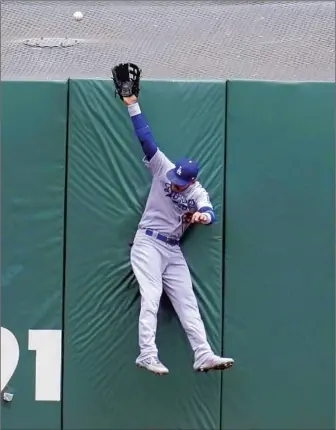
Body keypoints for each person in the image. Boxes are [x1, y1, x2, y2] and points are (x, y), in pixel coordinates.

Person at [122, 94, 234, 375]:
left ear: (192, 180)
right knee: (152, 294)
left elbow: (210, 212)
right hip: (147, 242)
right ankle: (147, 354)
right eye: (176, 179)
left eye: (182, 182)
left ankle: (203, 355)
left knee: (188, 302)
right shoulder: (165, 169)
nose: (176, 183)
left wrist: (203, 216)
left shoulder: (197, 191)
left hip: (172, 250)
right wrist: (132, 104)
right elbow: (146, 140)